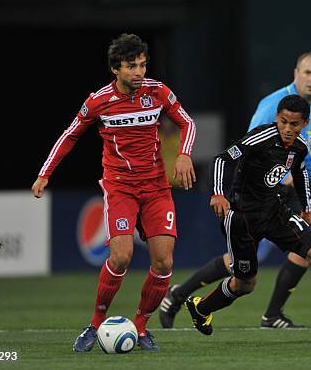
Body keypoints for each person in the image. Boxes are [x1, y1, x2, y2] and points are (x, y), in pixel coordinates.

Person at [31, 33, 196, 352]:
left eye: (143, 65)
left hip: (156, 187)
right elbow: (69, 136)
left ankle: (142, 327)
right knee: (120, 256)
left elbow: (187, 122)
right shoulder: (99, 101)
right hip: (120, 187)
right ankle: (94, 324)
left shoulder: (157, 92)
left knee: (163, 263)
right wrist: (44, 174)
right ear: (115, 70)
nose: (139, 72)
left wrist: (184, 153)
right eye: (132, 66)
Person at [159, 52, 311, 329]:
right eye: (307, 72)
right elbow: (249, 149)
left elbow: (306, 154)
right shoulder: (272, 105)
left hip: (283, 190)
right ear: (295, 73)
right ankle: (179, 295)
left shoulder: (310, 111)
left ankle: (272, 314)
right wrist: (272, 181)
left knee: (306, 251)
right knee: (241, 268)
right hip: (259, 195)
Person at [184, 95, 311, 338]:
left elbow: (300, 172)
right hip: (243, 218)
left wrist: (306, 208)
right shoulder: (261, 137)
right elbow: (221, 158)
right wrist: (218, 194)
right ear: (277, 118)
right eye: (283, 121)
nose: (287, 128)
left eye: (294, 124)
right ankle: (200, 307)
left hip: (276, 212)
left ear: (304, 123)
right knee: (245, 285)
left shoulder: (300, 146)